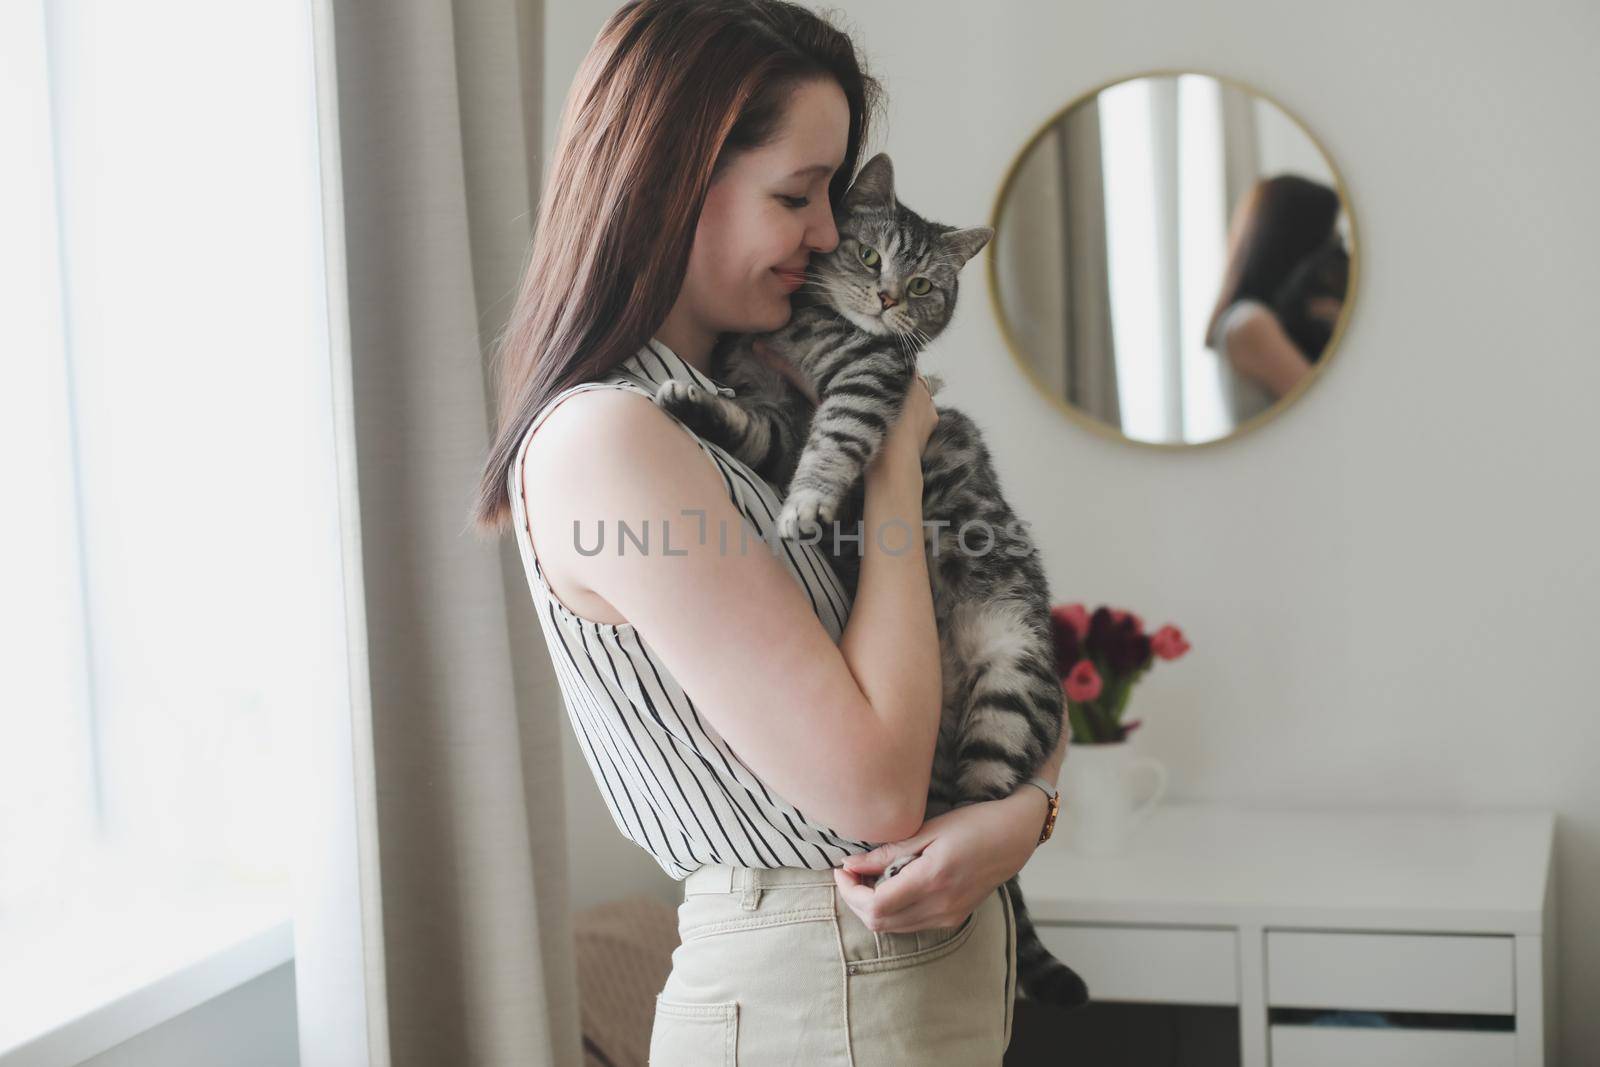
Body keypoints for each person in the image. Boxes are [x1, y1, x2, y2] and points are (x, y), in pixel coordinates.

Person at [469, 1, 1068, 1061]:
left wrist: (1023, 813)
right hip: (816, 995)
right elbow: (879, 787)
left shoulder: (748, 400)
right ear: (668, 180)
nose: (830, 235)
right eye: (796, 195)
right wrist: (887, 455)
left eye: (832, 198)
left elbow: (986, 650)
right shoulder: (611, 438)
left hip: (888, 984)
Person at [1204, 174, 1349, 418]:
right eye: (1329, 238)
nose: (1334, 253)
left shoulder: (1258, 319)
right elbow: (1329, 411)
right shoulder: (1250, 322)